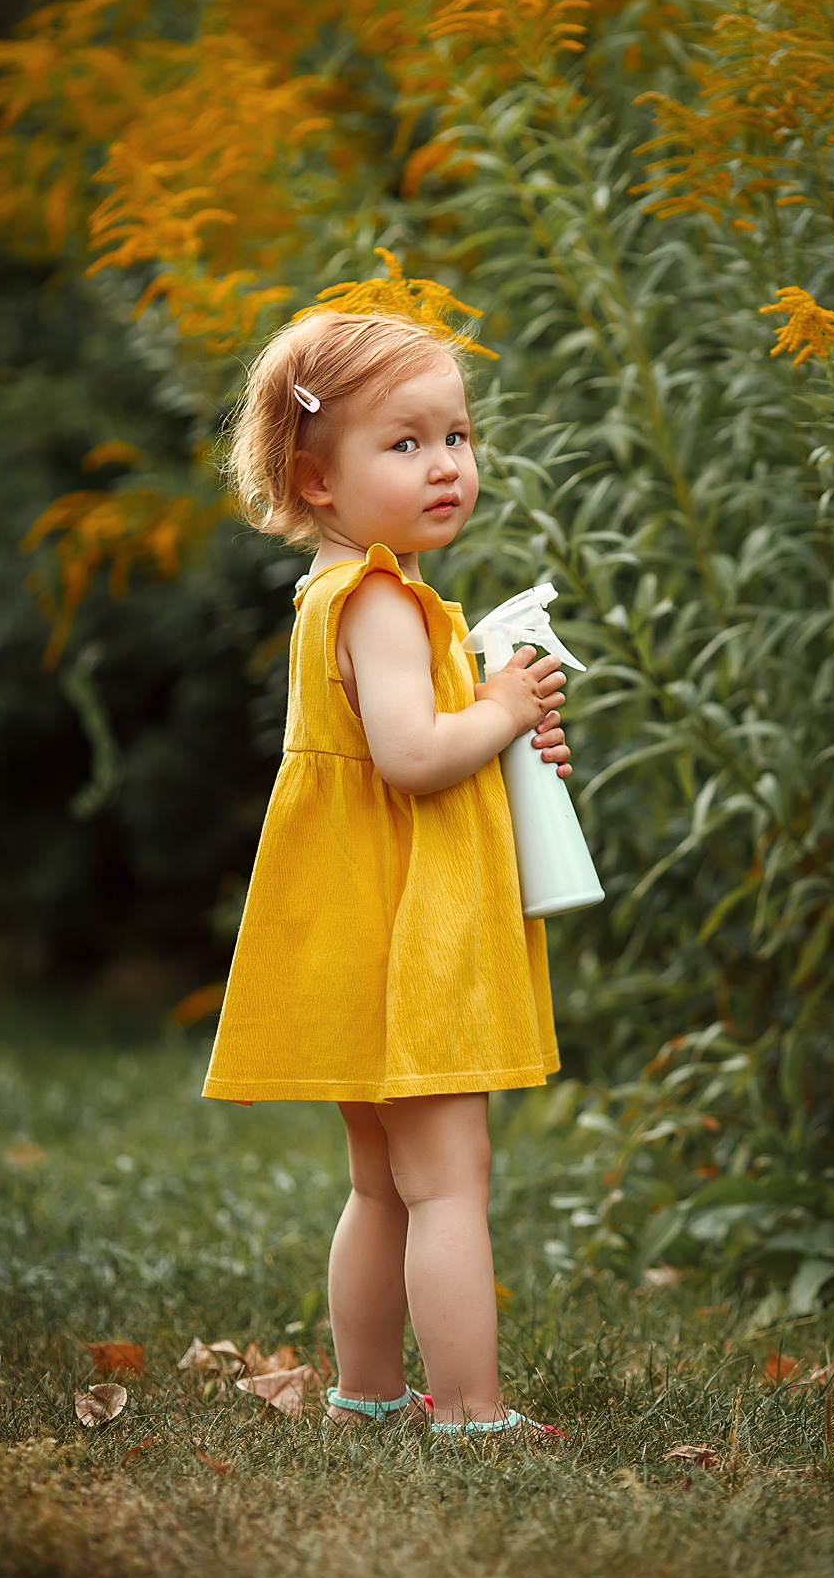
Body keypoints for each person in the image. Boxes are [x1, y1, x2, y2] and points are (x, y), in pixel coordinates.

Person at [202, 307, 571, 1439]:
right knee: (450, 1180)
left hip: (355, 925)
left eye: (454, 436)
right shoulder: (380, 599)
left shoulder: (337, 594)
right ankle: (467, 1410)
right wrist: (501, 705)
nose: (445, 465)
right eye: (403, 445)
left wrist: (505, 728)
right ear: (316, 480)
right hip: (410, 937)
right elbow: (412, 763)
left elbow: (409, 742)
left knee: (381, 1185)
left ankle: (364, 1397)